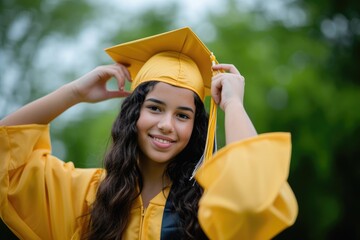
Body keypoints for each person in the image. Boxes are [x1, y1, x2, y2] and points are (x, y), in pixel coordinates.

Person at [0, 27, 298, 240]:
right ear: (133, 114)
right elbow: (8, 159)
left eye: (183, 115)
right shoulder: (88, 194)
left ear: (196, 127)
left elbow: (257, 192)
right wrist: (74, 92)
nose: (167, 124)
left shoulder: (210, 203)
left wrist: (233, 104)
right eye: (155, 108)